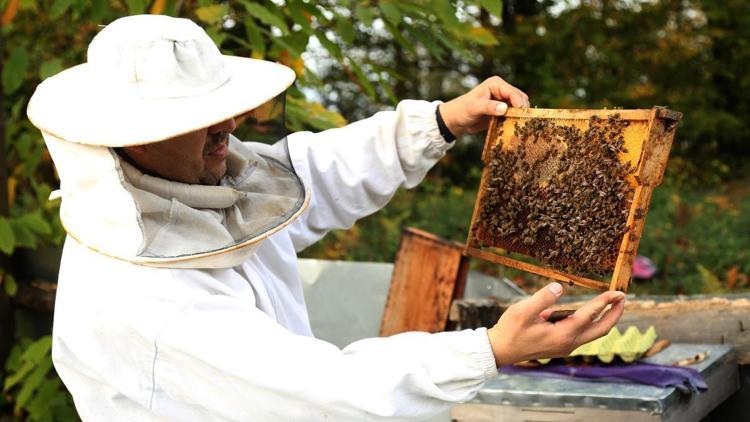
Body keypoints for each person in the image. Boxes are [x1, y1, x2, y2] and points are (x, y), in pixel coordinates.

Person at [27, 14, 625, 421]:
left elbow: (306, 172)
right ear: (128, 136)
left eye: (224, 108)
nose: (228, 129)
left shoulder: (194, 178)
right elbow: (330, 395)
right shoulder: (152, 301)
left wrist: (439, 121)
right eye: (199, 118)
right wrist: (489, 349)